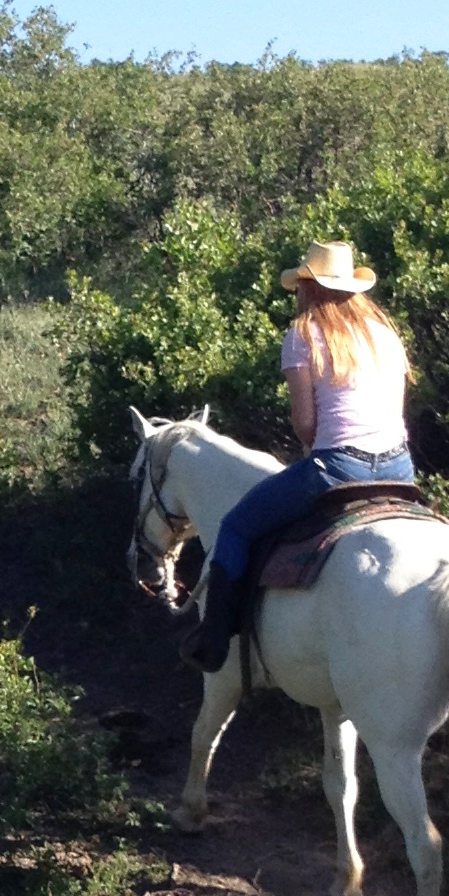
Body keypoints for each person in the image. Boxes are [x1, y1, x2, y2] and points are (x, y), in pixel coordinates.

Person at [179, 241, 417, 673]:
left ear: (309, 288)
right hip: (400, 467)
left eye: (301, 285)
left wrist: (312, 451)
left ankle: (214, 642)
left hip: (338, 468)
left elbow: (305, 424)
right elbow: (396, 414)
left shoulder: (303, 336)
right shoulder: (385, 335)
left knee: (236, 527)